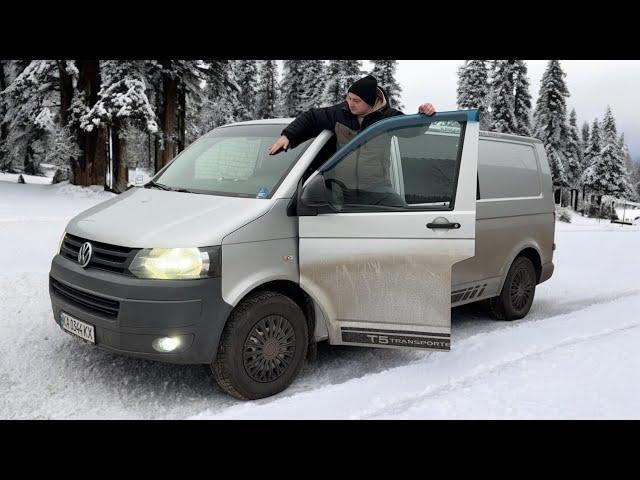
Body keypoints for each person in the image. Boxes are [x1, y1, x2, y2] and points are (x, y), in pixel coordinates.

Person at [267, 74, 436, 208]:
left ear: (370, 103)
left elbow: (411, 130)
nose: (350, 104)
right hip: (341, 190)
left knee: (403, 216)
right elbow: (311, 118)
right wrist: (288, 135)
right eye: (348, 98)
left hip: (376, 189)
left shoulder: (387, 118)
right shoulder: (340, 113)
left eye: (356, 101)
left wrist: (424, 116)